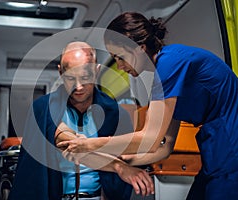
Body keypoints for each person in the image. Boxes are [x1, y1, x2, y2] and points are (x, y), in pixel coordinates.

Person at [57, 12, 238, 200]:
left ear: (139, 48)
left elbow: (150, 138)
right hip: (217, 153)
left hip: (231, 150)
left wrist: (88, 144)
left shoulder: (170, 63)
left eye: (120, 57)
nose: (119, 66)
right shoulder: (165, 78)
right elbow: (164, 146)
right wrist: (123, 163)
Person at [9, 41, 154, 200]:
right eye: (70, 77)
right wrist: (119, 167)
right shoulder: (43, 108)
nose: (78, 87)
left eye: (85, 77)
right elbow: (70, 145)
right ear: (60, 72)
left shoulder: (117, 114)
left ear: (97, 71)